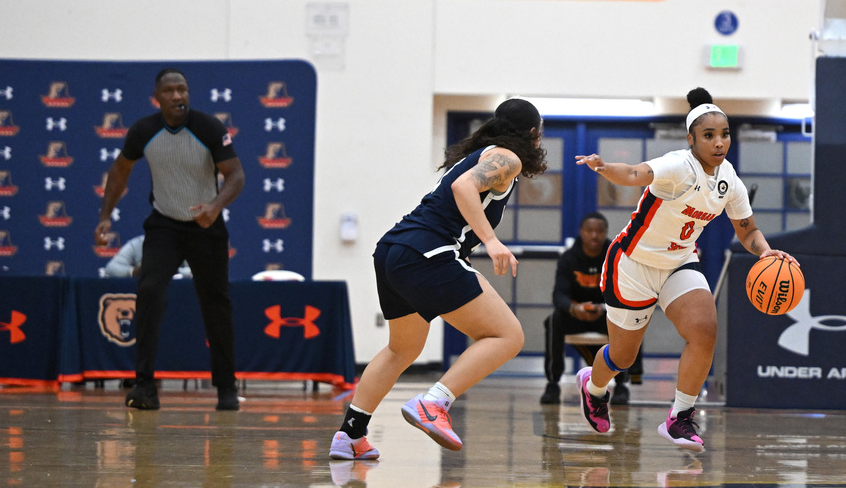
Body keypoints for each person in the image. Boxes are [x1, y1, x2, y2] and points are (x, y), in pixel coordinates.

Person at [574, 88, 798, 453]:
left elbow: (748, 230)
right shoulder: (678, 166)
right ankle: (593, 387)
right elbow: (634, 173)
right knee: (623, 357)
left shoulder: (729, 181)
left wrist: (767, 254)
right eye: (709, 135)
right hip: (633, 264)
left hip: (679, 262)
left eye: (724, 134)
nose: (719, 141)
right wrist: (604, 167)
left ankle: (679, 417)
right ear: (691, 139)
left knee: (704, 329)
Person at [329, 97, 546, 461]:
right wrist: (491, 242)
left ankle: (350, 435)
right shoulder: (508, 157)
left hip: (393, 250)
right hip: (429, 252)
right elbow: (463, 189)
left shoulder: (480, 153)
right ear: (533, 134)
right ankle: (434, 403)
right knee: (507, 335)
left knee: (402, 349)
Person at [94, 68, 245, 412]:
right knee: (148, 290)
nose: (178, 96)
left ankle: (226, 388)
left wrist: (215, 205)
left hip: (206, 224)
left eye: (183, 89)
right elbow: (119, 172)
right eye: (170, 91)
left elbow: (236, 175)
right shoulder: (144, 131)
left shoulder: (208, 128)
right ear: (157, 98)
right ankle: (145, 386)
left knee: (215, 303)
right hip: (165, 225)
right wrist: (104, 216)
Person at [540, 212, 642, 405]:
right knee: (553, 320)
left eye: (599, 231)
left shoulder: (615, 257)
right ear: (581, 232)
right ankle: (552, 383)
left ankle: (622, 384)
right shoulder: (568, 259)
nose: (594, 235)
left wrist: (603, 308)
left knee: (631, 320)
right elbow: (558, 294)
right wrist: (574, 307)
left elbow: (626, 293)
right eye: (590, 231)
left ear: (605, 233)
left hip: (607, 315)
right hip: (576, 315)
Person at [100, 234, 193, 279]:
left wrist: (172, 271)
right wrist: (134, 272)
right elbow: (111, 268)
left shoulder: (181, 243)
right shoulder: (137, 244)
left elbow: (196, 271)